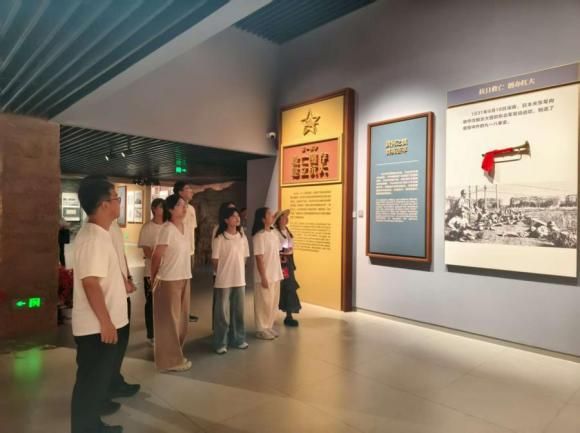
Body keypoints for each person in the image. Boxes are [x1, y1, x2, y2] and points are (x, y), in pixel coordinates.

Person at [71, 176, 126, 433]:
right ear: (104, 204)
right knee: (90, 382)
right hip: (95, 328)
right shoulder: (93, 238)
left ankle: (92, 425)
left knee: (95, 382)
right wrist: (106, 322)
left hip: (99, 325)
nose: (119, 203)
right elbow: (90, 283)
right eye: (116, 198)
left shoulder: (99, 234)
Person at [150, 194, 192, 372]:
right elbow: (156, 256)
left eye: (185, 205)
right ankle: (170, 361)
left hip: (184, 276)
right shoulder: (167, 229)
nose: (184, 208)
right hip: (169, 279)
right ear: (171, 209)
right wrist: (153, 278)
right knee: (170, 322)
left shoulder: (185, 227)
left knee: (182, 320)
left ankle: (176, 355)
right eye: (180, 205)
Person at [211, 207, 250, 354]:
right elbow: (215, 260)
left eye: (238, 215)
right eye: (234, 216)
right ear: (226, 220)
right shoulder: (220, 238)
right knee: (222, 314)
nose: (237, 218)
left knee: (238, 312)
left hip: (239, 279)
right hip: (224, 280)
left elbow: (245, 257)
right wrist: (224, 272)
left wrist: (238, 270)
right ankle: (221, 342)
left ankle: (239, 339)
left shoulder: (242, 237)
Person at [252, 207, 284, 340]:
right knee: (263, 303)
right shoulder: (259, 236)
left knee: (273, 303)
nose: (272, 216)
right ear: (263, 219)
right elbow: (259, 258)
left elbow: (278, 250)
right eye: (269, 214)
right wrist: (263, 277)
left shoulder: (273, 234)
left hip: (275, 274)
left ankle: (269, 326)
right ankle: (261, 328)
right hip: (264, 276)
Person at [138, 198, 165, 345]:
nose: (163, 209)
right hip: (151, 272)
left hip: (167, 272)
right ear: (154, 209)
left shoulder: (168, 226)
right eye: (160, 207)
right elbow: (146, 250)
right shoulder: (147, 228)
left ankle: (163, 331)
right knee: (151, 303)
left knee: (164, 304)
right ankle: (151, 334)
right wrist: (159, 259)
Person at [173, 181, 198, 322]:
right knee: (177, 283)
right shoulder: (175, 208)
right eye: (188, 188)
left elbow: (192, 230)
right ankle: (176, 312)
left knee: (186, 283)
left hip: (189, 251)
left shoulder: (192, 209)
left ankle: (184, 312)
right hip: (178, 252)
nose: (191, 191)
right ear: (180, 192)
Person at [273, 209, 301, 327]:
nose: (286, 219)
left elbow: (290, 247)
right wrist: (283, 253)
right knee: (280, 288)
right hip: (280, 263)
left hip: (287, 262)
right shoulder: (275, 232)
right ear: (279, 219)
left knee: (289, 287)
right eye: (283, 217)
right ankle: (272, 316)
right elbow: (276, 248)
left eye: (286, 217)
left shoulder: (286, 231)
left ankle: (289, 315)